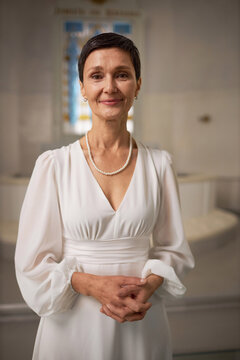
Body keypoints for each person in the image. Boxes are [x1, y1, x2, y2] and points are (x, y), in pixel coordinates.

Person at [15, 32, 195, 360]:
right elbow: (32, 262)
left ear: (137, 85)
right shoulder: (54, 165)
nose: (109, 87)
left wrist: (149, 285)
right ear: (82, 88)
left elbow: (174, 249)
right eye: (96, 76)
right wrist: (91, 285)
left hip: (140, 317)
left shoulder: (160, 164)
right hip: (72, 320)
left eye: (122, 74)